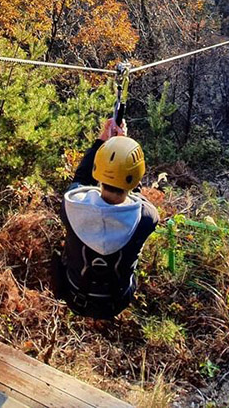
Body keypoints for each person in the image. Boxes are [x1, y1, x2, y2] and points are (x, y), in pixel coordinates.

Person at [54, 117, 159, 319]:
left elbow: (81, 179)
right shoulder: (147, 218)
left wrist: (103, 141)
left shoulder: (71, 207)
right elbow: (135, 198)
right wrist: (124, 153)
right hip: (116, 302)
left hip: (74, 295)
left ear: (97, 171)